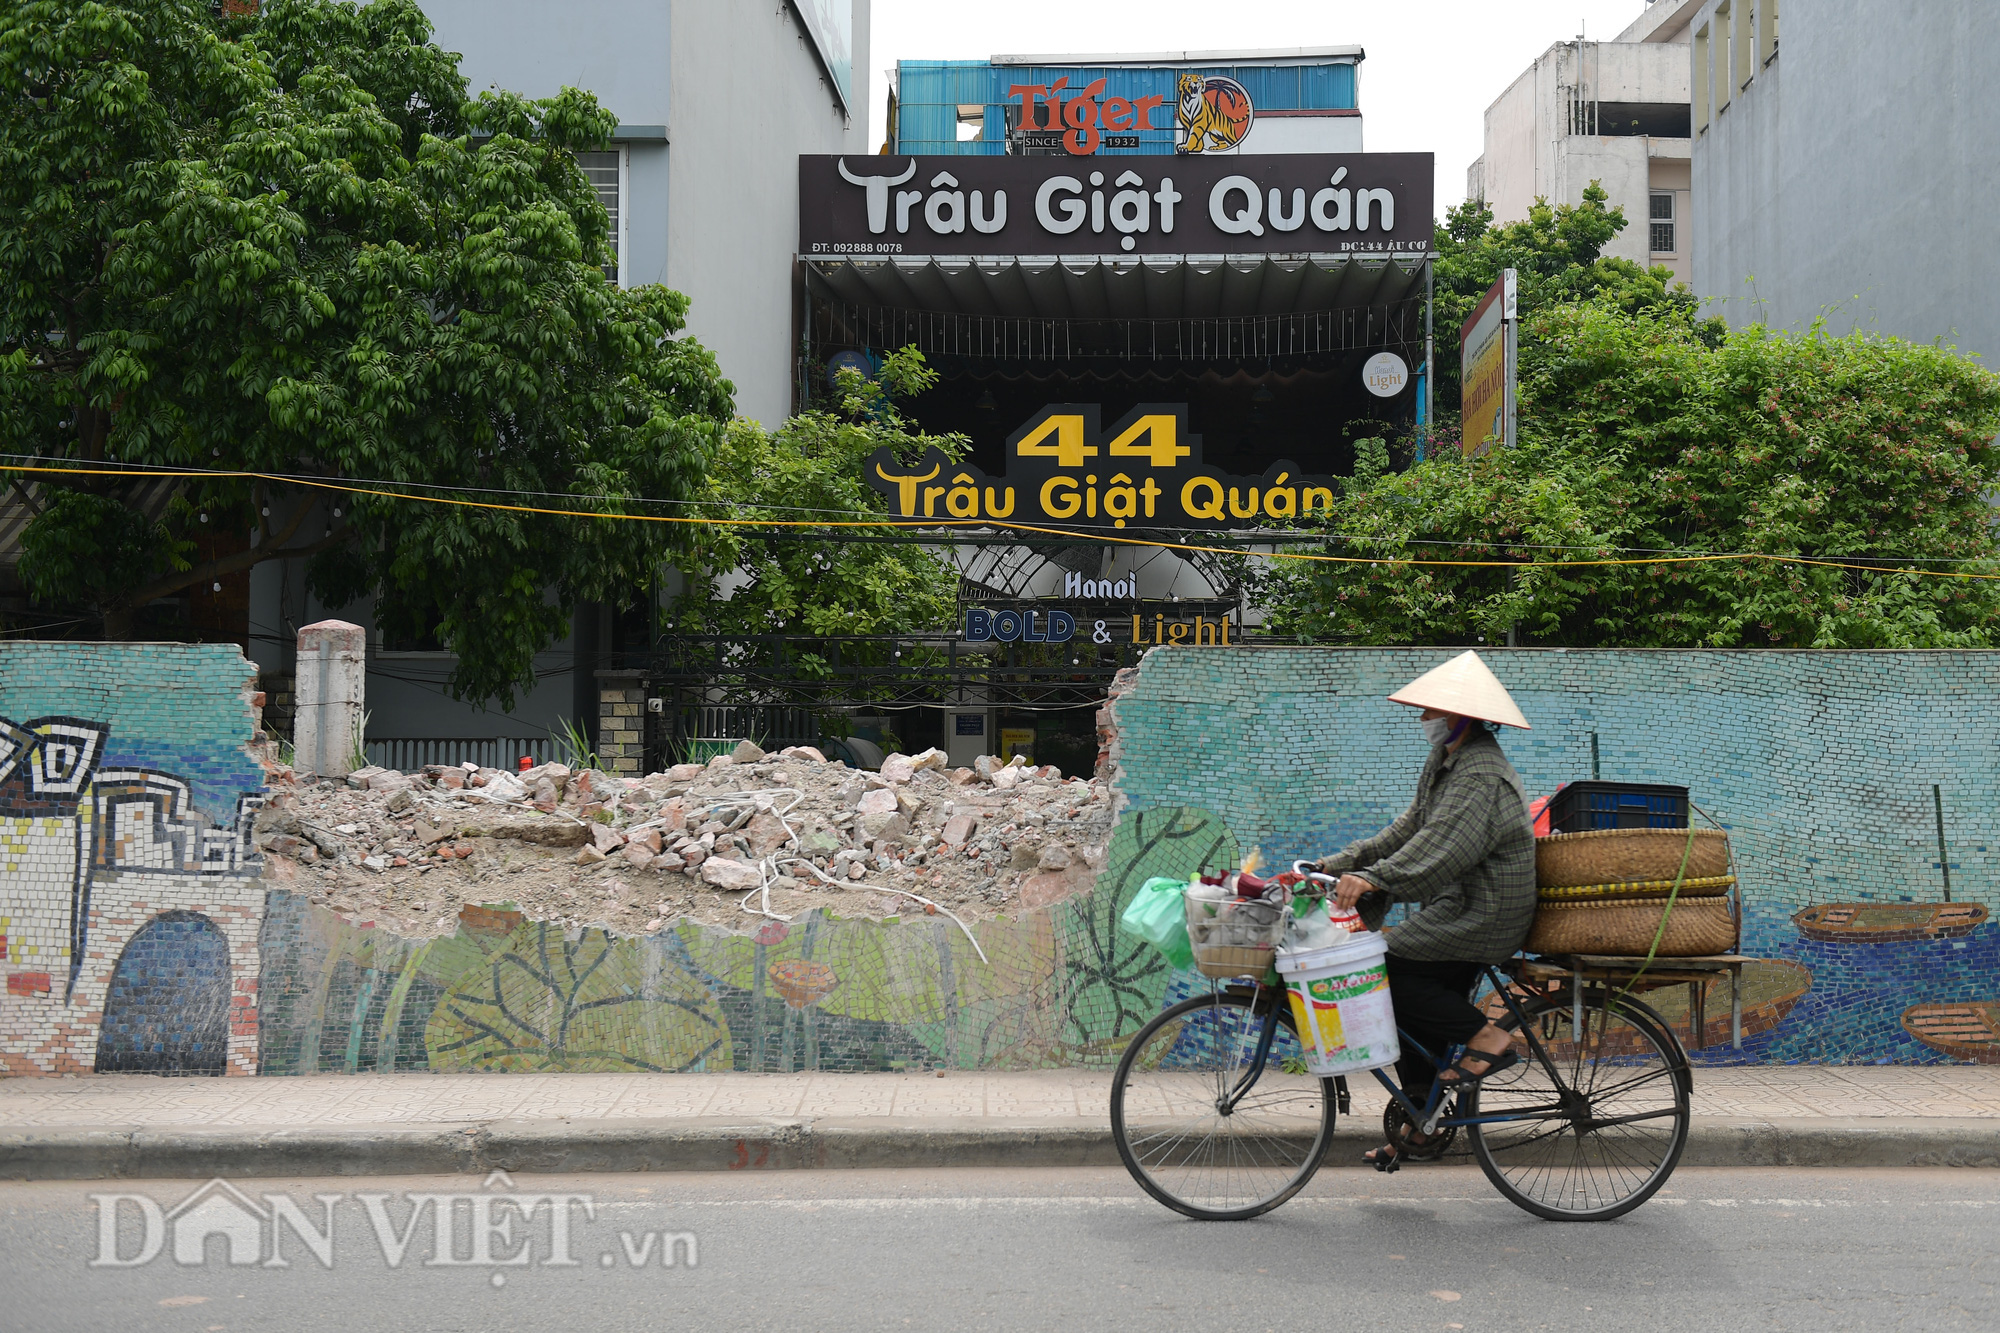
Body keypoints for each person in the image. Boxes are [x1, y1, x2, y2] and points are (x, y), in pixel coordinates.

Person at [1314, 650, 1539, 1172]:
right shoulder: (1447, 763)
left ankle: (1488, 1038)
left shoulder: (1480, 773)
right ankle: (1421, 1120)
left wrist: (1375, 878)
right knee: (1407, 999)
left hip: (1486, 911)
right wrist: (1339, 862)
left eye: (1429, 712)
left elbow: (1443, 847)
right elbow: (1410, 826)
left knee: (1383, 963)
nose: (1423, 721)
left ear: (1458, 715)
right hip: (1458, 905)